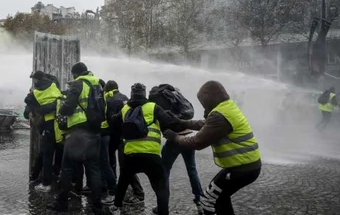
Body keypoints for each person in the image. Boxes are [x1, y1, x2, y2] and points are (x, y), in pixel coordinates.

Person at [168, 80, 261, 215]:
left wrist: (175, 138)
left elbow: (197, 142)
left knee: (208, 200)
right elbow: (206, 124)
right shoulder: (226, 107)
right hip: (246, 165)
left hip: (241, 169)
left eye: (203, 102)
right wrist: (183, 123)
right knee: (221, 197)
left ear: (209, 99)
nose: (203, 105)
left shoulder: (220, 115)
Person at [112, 83, 184, 215]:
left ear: (131, 94)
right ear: (144, 94)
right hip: (151, 155)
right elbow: (170, 122)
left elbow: (114, 124)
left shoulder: (124, 109)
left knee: (123, 180)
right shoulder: (153, 107)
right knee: (161, 184)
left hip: (131, 155)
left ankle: (116, 206)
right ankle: (163, 211)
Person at [48, 62, 107, 214]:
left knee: (66, 169)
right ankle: (97, 206)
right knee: (93, 170)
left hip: (79, 132)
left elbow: (68, 107)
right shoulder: (98, 85)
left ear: (75, 73)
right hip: (95, 132)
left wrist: (62, 108)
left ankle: (61, 204)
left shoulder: (78, 83)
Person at [105, 80, 145, 204]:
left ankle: (135, 192)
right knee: (126, 165)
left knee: (119, 163)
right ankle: (126, 189)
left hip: (116, 136)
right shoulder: (125, 99)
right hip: (126, 137)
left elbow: (112, 120)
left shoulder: (110, 100)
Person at [24, 70, 62, 192]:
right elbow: (53, 77)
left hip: (48, 125)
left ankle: (46, 184)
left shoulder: (35, 93)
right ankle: (56, 175)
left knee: (47, 155)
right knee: (60, 151)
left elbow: (26, 110)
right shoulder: (54, 85)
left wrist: (34, 111)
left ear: (36, 81)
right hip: (61, 124)